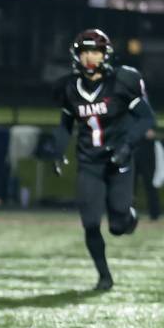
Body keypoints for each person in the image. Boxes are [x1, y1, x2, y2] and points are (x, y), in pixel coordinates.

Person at [52, 29, 155, 291]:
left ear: (105, 54)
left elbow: (147, 118)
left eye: (95, 52)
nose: (90, 58)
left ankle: (128, 216)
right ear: (77, 55)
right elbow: (65, 124)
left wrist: (126, 145)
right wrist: (58, 151)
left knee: (118, 226)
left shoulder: (122, 80)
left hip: (118, 158)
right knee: (90, 222)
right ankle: (104, 275)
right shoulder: (69, 87)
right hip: (89, 162)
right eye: (85, 52)